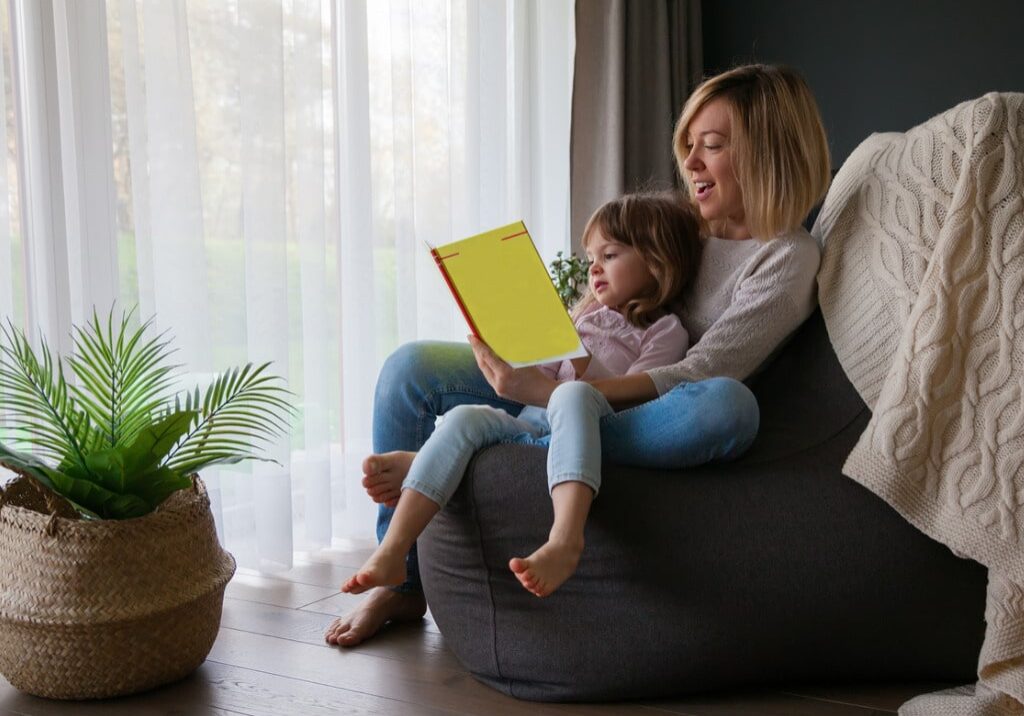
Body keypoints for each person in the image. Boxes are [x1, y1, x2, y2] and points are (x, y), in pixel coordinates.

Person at [325, 63, 831, 648]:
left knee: (728, 406)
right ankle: (402, 583)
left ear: (770, 155)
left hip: (656, 409)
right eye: (688, 145)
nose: (689, 164)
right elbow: (597, 304)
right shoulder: (678, 224)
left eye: (711, 147)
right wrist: (535, 336)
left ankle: (474, 448)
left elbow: (700, 371)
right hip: (574, 387)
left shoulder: (787, 257)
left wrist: (543, 394)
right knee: (409, 369)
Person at [338, 193, 701, 600]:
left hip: (582, 423)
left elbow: (637, 397)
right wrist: (514, 345)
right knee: (465, 418)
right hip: (531, 419)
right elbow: (539, 378)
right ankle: (393, 550)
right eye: (591, 257)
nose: (594, 267)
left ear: (657, 261)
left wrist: (583, 364)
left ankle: (561, 538)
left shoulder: (666, 330)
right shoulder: (585, 318)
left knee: (573, 396)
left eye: (610, 255)